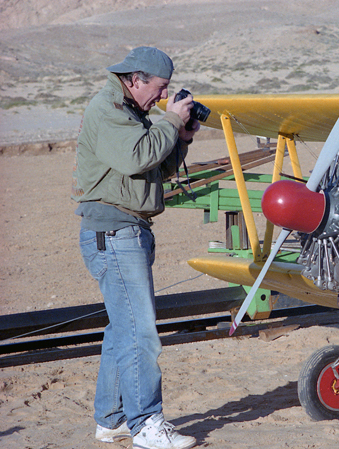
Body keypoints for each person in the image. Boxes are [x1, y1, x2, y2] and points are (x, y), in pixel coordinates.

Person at [71, 46, 199, 449]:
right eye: (159, 89)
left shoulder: (133, 113)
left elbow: (156, 166)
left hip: (126, 231)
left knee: (123, 330)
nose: (162, 97)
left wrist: (181, 136)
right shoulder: (108, 109)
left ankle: (112, 421)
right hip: (115, 234)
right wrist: (167, 121)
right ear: (136, 79)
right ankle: (146, 424)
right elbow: (134, 156)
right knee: (141, 333)